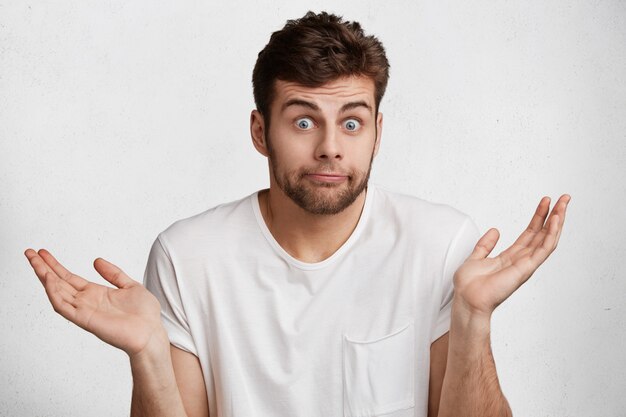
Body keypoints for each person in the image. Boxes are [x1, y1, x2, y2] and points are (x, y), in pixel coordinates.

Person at [24, 11, 570, 417]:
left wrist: (473, 320)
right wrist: (148, 355)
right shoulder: (187, 256)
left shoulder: (441, 243)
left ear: (378, 132)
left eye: (352, 122)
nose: (331, 146)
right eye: (304, 122)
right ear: (262, 132)